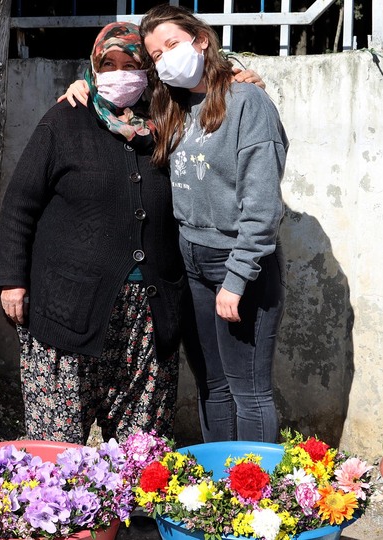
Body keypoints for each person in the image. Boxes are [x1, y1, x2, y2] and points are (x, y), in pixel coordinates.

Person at [0, 22, 184, 444]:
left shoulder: (168, 124)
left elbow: (215, 89)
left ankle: (132, 513)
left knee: (141, 449)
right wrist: (11, 280)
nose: (119, 74)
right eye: (108, 64)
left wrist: (241, 74)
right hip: (68, 307)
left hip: (148, 316)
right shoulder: (65, 119)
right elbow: (20, 203)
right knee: (57, 451)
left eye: (130, 64)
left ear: (148, 70)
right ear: (93, 68)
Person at [139, 4, 289, 443]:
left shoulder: (248, 103)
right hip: (192, 263)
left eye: (172, 45)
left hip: (239, 264)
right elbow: (114, 97)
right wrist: (80, 85)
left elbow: (261, 206)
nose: (165, 58)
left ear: (200, 40)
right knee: (213, 386)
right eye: (156, 55)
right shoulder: (173, 107)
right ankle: (219, 493)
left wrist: (237, 278)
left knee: (249, 390)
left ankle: (257, 500)